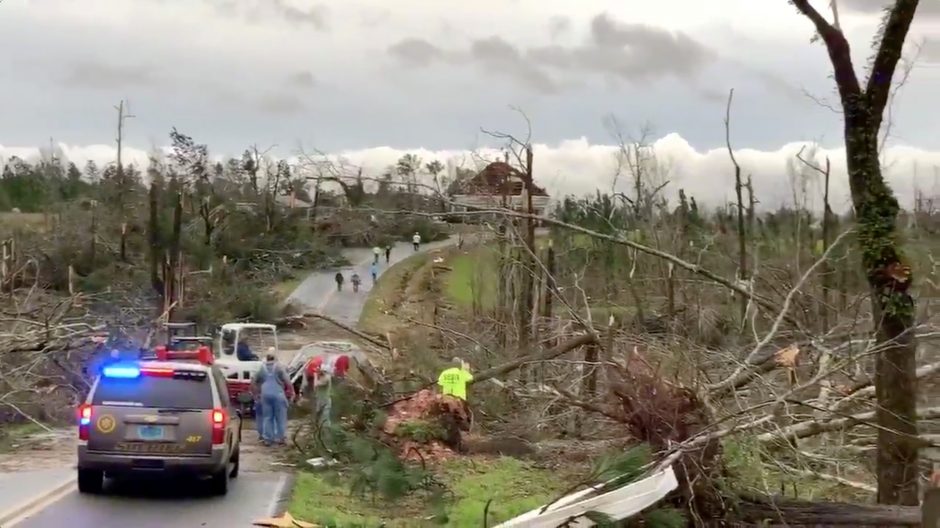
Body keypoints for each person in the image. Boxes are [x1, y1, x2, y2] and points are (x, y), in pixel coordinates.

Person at [252, 349, 294, 446]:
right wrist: (292, 392)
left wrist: (256, 393)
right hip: (278, 394)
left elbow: (253, 381)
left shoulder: (262, 368)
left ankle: (267, 439)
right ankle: (280, 438)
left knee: (267, 417)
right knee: (280, 417)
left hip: (265, 394)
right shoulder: (279, 367)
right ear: (275, 358)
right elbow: (287, 381)